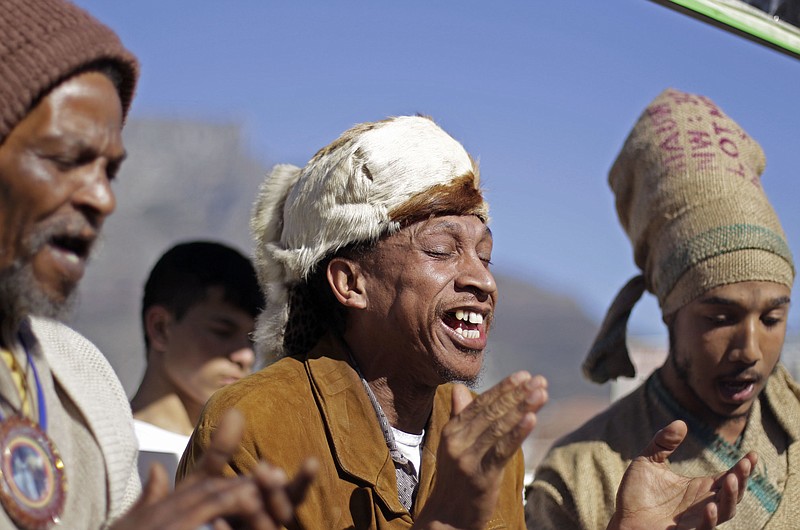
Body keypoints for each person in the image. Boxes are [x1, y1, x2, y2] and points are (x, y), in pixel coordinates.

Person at [179, 115, 755, 530]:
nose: (481, 279)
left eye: (485, 253)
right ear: (350, 282)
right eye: (441, 250)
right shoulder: (254, 428)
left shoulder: (488, 449)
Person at [0, 0, 313, 528]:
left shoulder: (82, 381)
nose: (101, 197)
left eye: (110, 171)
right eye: (64, 158)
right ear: (160, 327)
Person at [527, 88, 799, 529]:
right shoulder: (581, 477)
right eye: (720, 317)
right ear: (669, 311)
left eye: (772, 318)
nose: (750, 349)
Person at [131, 241, 263, 486]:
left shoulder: (251, 458)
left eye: (252, 340)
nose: (246, 356)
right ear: (161, 328)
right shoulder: (110, 449)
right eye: (223, 332)